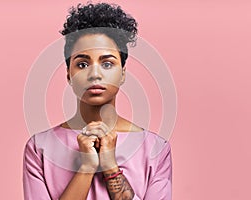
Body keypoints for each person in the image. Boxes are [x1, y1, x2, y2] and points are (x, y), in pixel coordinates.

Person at [23, 2, 172, 200]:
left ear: (122, 74)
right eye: (82, 64)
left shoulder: (155, 148)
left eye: (107, 63)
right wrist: (86, 167)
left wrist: (111, 167)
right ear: (69, 74)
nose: (95, 74)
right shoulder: (39, 147)